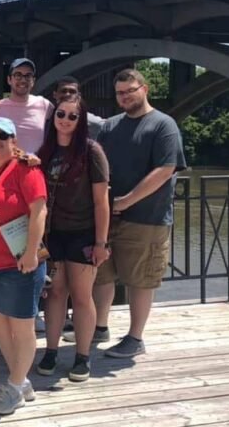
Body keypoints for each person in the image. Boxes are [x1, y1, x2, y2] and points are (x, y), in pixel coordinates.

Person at [94, 69, 186, 358]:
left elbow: (165, 170)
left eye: (130, 90)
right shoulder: (110, 126)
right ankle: (100, 326)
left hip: (147, 218)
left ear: (144, 89)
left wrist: (125, 201)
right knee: (101, 274)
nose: (124, 97)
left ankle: (135, 338)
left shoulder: (163, 125)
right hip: (109, 218)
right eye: (120, 92)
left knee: (140, 279)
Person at [0, 117, 47, 415]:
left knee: (22, 326)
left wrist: (30, 252)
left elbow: (38, 210)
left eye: (4, 136)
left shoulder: (26, 169)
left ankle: (13, 387)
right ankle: (21, 379)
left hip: (19, 264)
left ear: (14, 140)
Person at [35, 96, 110, 382]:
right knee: (55, 293)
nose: (65, 120)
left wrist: (101, 243)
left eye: (72, 116)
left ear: (81, 121)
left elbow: (101, 201)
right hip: (52, 233)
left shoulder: (92, 152)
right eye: (61, 114)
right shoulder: (47, 150)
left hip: (82, 233)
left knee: (81, 295)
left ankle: (82, 356)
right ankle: (51, 351)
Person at [0, 58, 53, 154]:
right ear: (9, 80)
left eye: (28, 76)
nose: (23, 80)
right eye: (18, 75)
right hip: (7, 168)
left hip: (36, 167)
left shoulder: (44, 105)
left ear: (33, 81)